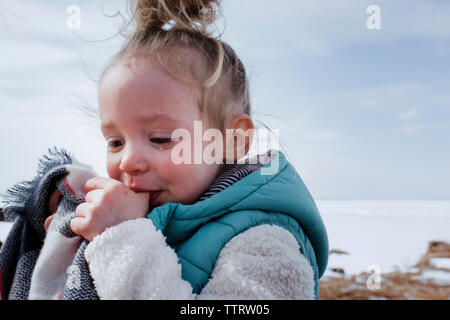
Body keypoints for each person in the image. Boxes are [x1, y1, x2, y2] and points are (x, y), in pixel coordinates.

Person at [47, 0, 329, 299]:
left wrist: (120, 239)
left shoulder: (266, 243)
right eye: (115, 142)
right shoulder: (144, 215)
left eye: (160, 138)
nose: (128, 162)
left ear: (232, 140)